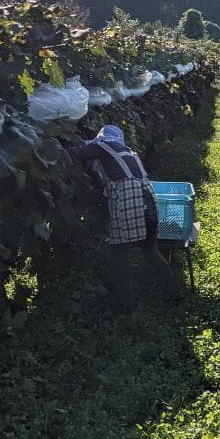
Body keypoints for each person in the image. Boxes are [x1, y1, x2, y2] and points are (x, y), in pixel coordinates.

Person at [69, 125, 184, 308]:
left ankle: (126, 304)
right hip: (149, 202)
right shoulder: (129, 152)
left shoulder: (103, 146)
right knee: (150, 251)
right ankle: (175, 295)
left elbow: (75, 153)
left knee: (117, 255)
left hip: (132, 203)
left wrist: (55, 145)